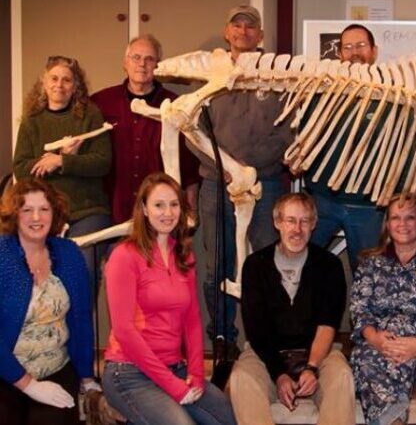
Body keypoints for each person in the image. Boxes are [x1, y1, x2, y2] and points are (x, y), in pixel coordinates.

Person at [195, 5, 292, 354]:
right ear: (227, 31)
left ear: (260, 36)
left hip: (265, 185)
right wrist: (225, 167)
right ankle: (223, 338)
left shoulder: (279, 76)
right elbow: (192, 127)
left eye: (250, 27)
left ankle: (264, 340)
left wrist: (256, 167)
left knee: (266, 263)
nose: (243, 31)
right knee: (215, 266)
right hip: (215, 186)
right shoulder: (209, 74)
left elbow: (290, 130)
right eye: (236, 25)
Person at [101, 173, 236, 425]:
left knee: (226, 418)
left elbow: (192, 320)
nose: (168, 213)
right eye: (158, 205)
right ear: (144, 208)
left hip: (176, 366)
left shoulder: (184, 255)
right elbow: (124, 331)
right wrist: (174, 388)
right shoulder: (124, 255)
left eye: (174, 204)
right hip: (129, 372)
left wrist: (196, 373)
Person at [229, 192, 354, 425]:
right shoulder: (256, 265)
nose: (297, 229)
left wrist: (312, 367)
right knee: (241, 379)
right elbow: (257, 330)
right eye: (290, 221)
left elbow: (328, 324)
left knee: (342, 377)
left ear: (314, 224)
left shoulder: (329, 266)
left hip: (317, 352)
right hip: (267, 353)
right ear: (277, 223)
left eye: (304, 221)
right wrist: (279, 374)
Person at [350, 194, 416, 425]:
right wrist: (377, 340)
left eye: (410, 217)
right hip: (380, 349)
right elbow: (360, 311)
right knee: (365, 355)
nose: (403, 224)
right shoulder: (370, 263)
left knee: (400, 326)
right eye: (396, 218)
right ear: (387, 225)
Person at [0, 178, 97, 425]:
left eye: (44, 209)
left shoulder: (69, 253)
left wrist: (86, 378)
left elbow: (81, 320)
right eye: (27, 209)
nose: (36, 217)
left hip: (56, 369)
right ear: (15, 214)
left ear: (54, 214)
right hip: (6, 372)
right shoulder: (2, 257)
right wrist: (29, 385)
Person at [13, 55, 112, 297]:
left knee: (81, 273)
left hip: (88, 211)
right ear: (44, 83)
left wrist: (62, 161)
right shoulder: (31, 121)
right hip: (46, 214)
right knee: (41, 279)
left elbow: (102, 163)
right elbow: (21, 168)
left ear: (76, 86)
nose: (60, 85)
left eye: (67, 80)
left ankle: (81, 334)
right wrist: (55, 158)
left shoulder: (90, 115)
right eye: (54, 79)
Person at [91, 34, 200, 225]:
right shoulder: (101, 103)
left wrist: (190, 208)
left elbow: (189, 164)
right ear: (125, 63)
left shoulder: (176, 106)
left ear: (157, 65)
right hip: (114, 209)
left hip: (161, 212)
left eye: (149, 59)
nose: (142, 64)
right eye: (136, 58)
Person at [305, 23, 384, 271]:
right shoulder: (322, 93)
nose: (354, 52)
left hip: (367, 206)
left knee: (367, 277)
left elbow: (407, 148)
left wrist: (396, 191)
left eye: (361, 45)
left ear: (374, 50)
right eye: (347, 47)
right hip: (323, 200)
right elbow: (305, 138)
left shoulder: (392, 96)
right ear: (339, 53)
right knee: (303, 269)